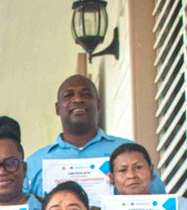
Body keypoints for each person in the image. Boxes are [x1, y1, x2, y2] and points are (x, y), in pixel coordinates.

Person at [26, 75, 167, 198]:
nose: (78, 99)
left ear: (98, 104)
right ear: (57, 108)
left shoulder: (129, 152)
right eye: (68, 95)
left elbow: (157, 201)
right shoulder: (35, 163)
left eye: (86, 94)